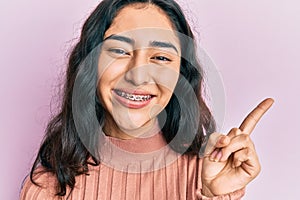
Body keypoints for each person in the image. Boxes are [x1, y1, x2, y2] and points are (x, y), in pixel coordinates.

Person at [20, 0, 274, 199]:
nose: (138, 76)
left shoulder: (208, 176)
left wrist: (214, 197)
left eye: (161, 57)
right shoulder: (48, 188)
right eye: (119, 50)